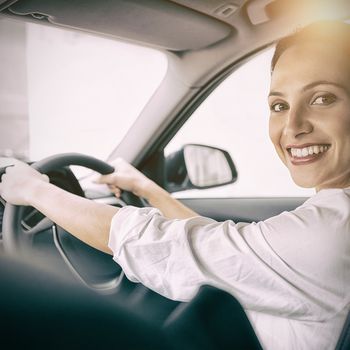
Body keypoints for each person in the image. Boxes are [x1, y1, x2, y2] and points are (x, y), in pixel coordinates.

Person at [1, 21, 350, 350]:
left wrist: (33, 191)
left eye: (322, 98)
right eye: (279, 105)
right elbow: (230, 252)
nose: (292, 127)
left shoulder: (329, 232)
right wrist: (149, 191)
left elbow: (166, 247)